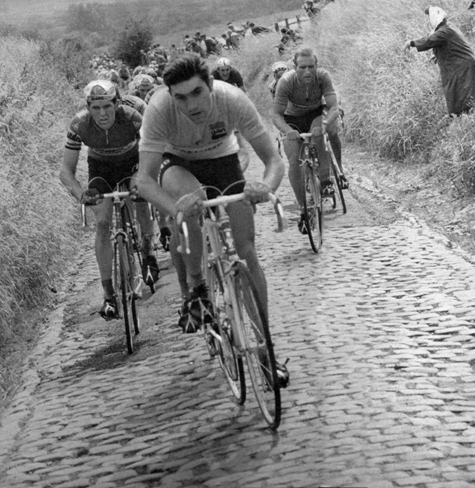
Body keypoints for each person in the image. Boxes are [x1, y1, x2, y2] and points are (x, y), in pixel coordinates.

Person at [134, 53, 285, 345]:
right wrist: (174, 208)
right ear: (170, 95)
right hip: (176, 161)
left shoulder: (232, 99)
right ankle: (196, 287)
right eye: (181, 98)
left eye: (197, 93)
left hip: (222, 159)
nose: (191, 105)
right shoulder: (160, 108)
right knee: (192, 201)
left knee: (246, 251)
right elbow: (143, 180)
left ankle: (265, 346)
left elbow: (274, 162)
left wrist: (265, 188)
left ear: (211, 84)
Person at [60, 80, 160, 320]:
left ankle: (148, 252)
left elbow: (152, 152)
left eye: (107, 106)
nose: (102, 113)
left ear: (116, 103)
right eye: (96, 108)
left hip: (132, 164)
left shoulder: (132, 117)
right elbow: (66, 172)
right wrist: (81, 194)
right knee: (103, 223)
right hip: (100, 169)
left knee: (139, 196)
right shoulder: (79, 124)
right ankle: (108, 294)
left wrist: (145, 181)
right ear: (88, 108)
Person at [271, 47, 347, 234]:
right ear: (294, 67)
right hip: (291, 119)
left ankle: (326, 180)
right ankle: (304, 211)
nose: (307, 71)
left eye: (311, 67)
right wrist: (288, 131)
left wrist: (326, 123)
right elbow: (276, 115)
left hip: (315, 114)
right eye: (302, 67)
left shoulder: (323, 77)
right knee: (294, 163)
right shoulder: (286, 82)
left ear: (316, 66)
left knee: (319, 132)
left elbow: (334, 107)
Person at [404, 6, 475, 116]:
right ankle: (466, 114)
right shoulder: (448, 27)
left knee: (466, 92)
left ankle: (469, 114)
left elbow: (429, 41)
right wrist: (436, 55)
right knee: (464, 92)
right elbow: (448, 46)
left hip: (462, 66)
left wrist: (411, 42)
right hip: (461, 65)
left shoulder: (444, 31)